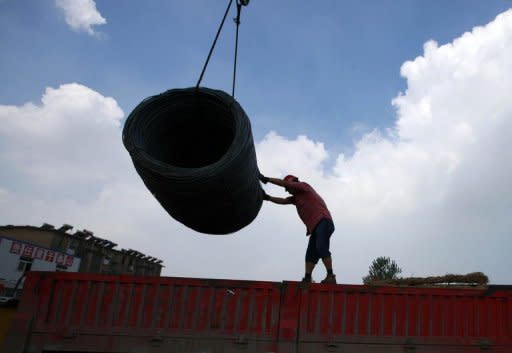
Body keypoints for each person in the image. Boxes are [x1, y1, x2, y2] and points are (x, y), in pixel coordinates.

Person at [259, 173, 336, 284]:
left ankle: (330, 276)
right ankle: (307, 278)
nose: (288, 191)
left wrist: (266, 179)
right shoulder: (297, 198)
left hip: (323, 221)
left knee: (321, 247)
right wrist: (268, 198)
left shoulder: (304, 186)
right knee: (310, 254)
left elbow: (284, 183)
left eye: (288, 188)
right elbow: (284, 201)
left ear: (293, 183)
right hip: (316, 226)